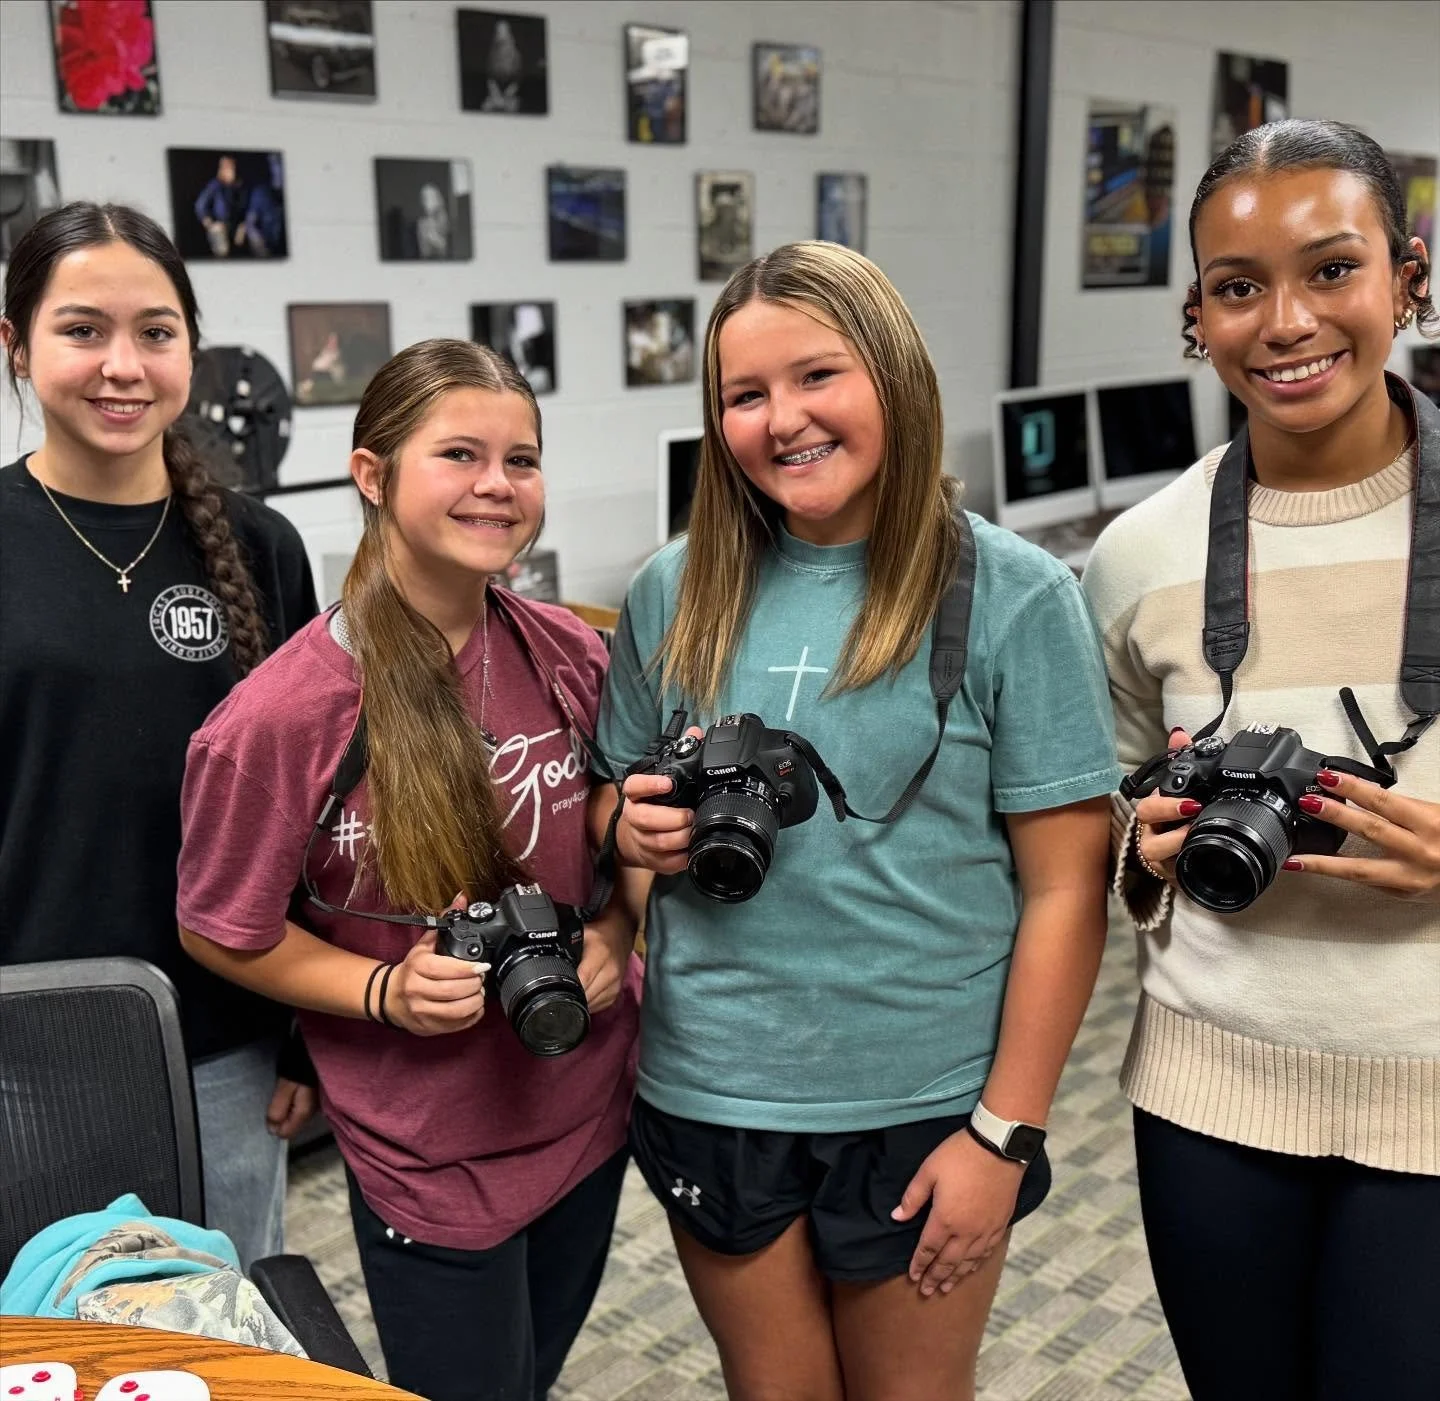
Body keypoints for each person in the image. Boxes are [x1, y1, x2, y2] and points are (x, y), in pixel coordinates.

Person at [597, 241, 1120, 1400]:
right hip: (713, 1086)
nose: (782, 419)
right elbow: (614, 802)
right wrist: (628, 834)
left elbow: (1067, 890)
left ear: (894, 375)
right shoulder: (670, 590)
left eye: (817, 376)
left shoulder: (1018, 595)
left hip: (923, 1103)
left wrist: (1003, 1135)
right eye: (744, 395)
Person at [175, 339, 643, 1401]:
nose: (497, 485)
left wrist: (618, 937)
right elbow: (220, 924)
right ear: (372, 473)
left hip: (585, 1107)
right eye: (461, 454)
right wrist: (382, 989)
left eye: (521, 459)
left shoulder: (571, 653)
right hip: (432, 1158)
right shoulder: (284, 718)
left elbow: (624, 832)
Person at [1081, 120, 1440, 1401]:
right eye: (1238, 288)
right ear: (1196, 318)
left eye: (1332, 270)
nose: (1285, 321)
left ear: (1409, 277)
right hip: (1208, 1097)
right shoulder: (1139, 553)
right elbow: (1103, 798)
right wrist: (1146, 840)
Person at [0, 202, 319, 1270]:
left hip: (225, 1043)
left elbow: (318, 812)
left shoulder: (264, 549)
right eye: (82, 329)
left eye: (156, 330)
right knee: (53, 1339)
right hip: (23, 1048)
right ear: (14, 346)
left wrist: (310, 1038)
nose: (122, 364)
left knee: (221, 1331)